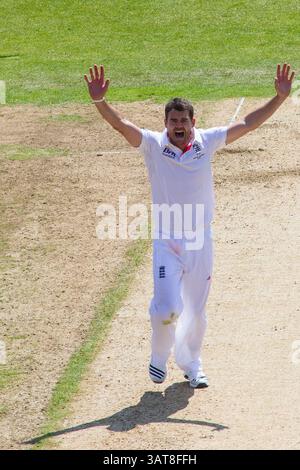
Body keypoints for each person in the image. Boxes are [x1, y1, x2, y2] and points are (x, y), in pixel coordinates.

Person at [84, 64, 295, 388]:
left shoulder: (206, 141)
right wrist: (100, 103)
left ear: (193, 123)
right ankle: (158, 356)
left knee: (195, 312)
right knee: (167, 308)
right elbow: (122, 126)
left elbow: (247, 123)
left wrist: (279, 98)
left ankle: (191, 363)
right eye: (173, 121)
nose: (178, 126)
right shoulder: (154, 145)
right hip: (167, 239)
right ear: (165, 123)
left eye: (183, 121)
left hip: (200, 240)